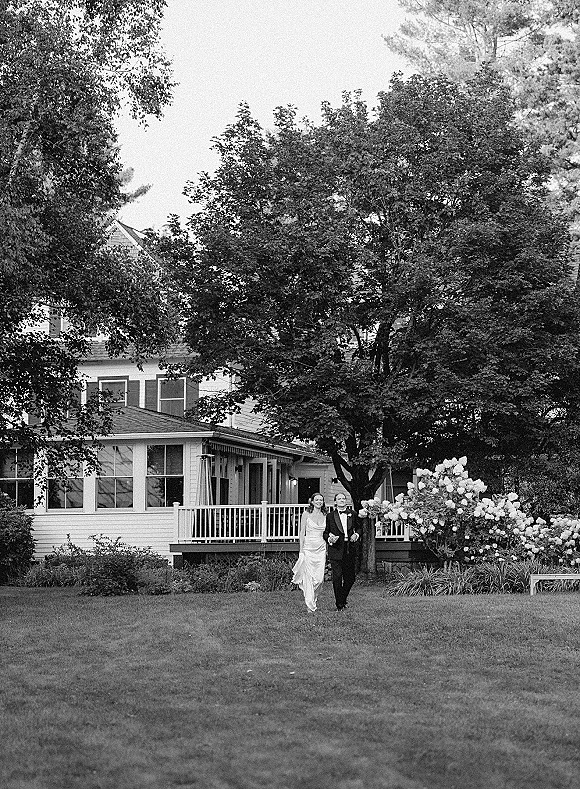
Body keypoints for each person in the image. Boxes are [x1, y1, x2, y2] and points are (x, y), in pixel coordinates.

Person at [323, 492, 362, 611]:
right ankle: (339, 604)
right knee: (337, 577)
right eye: (339, 499)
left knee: (350, 578)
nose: (341, 500)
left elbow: (360, 527)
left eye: (343, 498)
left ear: (346, 501)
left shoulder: (353, 514)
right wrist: (329, 539)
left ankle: (342, 599)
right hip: (336, 548)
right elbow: (325, 532)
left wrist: (356, 534)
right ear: (335, 502)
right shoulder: (330, 516)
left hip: (349, 548)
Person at [292, 493, 327, 613]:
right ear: (311, 501)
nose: (319, 502)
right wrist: (301, 550)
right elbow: (302, 532)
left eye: (321, 500)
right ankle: (310, 605)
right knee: (308, 577)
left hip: (321, 548)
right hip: (308, 548)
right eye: (316, 500)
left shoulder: (325, 514)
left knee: (319, 579)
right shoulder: (306, 514)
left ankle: (314, 598)